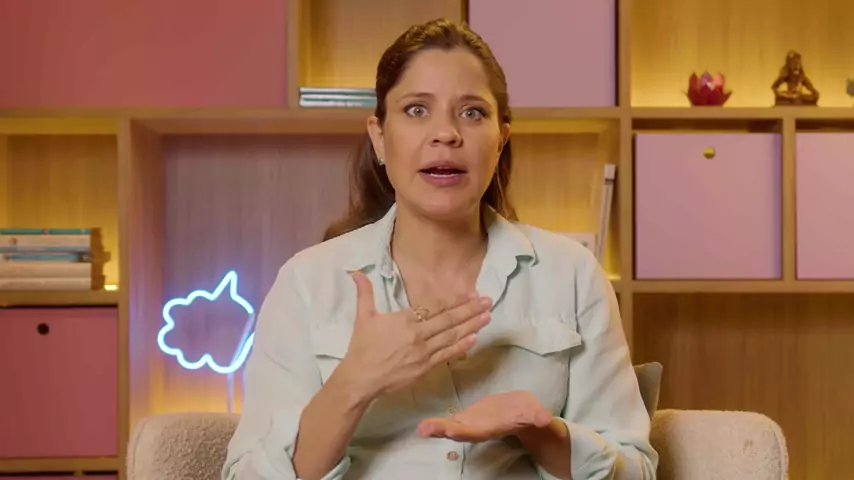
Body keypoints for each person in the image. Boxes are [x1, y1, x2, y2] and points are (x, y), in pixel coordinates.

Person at [222, 18, 657, 480]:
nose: (446, 133)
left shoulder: (573, 275)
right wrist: (353, 383)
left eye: (472, 112)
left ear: (500, 141)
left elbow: (636, 470)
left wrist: (539, 429)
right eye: (416, 110)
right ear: (379, 137)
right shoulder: (306, 283)